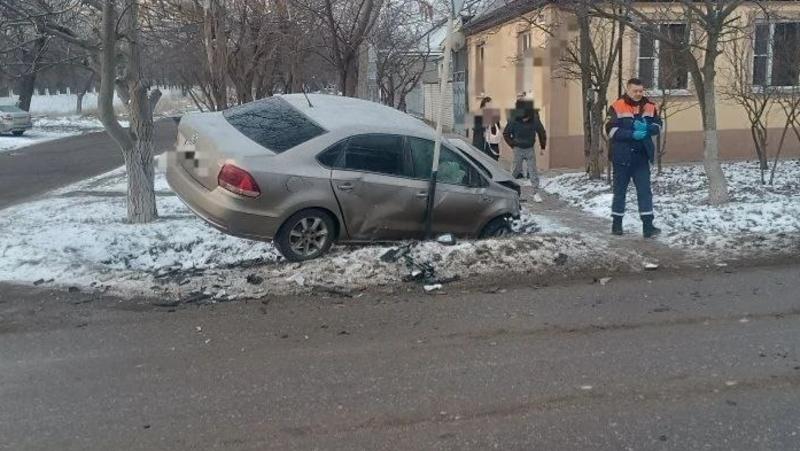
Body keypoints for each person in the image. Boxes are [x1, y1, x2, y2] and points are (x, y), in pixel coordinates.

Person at [605, 78, 663, 238]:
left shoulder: (650, 106)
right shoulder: (617, 106)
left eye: (640, 91)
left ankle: (648, 226)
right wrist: (632, 134)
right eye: (635, 91)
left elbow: (658, 125)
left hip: (641, 157)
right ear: (628, 90)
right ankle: (617, 225)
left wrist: (648, 128)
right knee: (620, 192)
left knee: (645, 192)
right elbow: (610, 130)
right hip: (622, 156)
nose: (638, 93)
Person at [503, 103, 547, 202]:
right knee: (515, 171)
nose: (525, 120)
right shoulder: (514, 120)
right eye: (523, 118)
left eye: (527, 118)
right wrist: (512, 145)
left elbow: (541, 132)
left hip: (530, 148)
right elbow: (506, 133)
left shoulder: (534, 119)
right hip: (518, 148)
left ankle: (536, 192)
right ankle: (510, 192)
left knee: (533, 171)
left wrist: (543, 147)